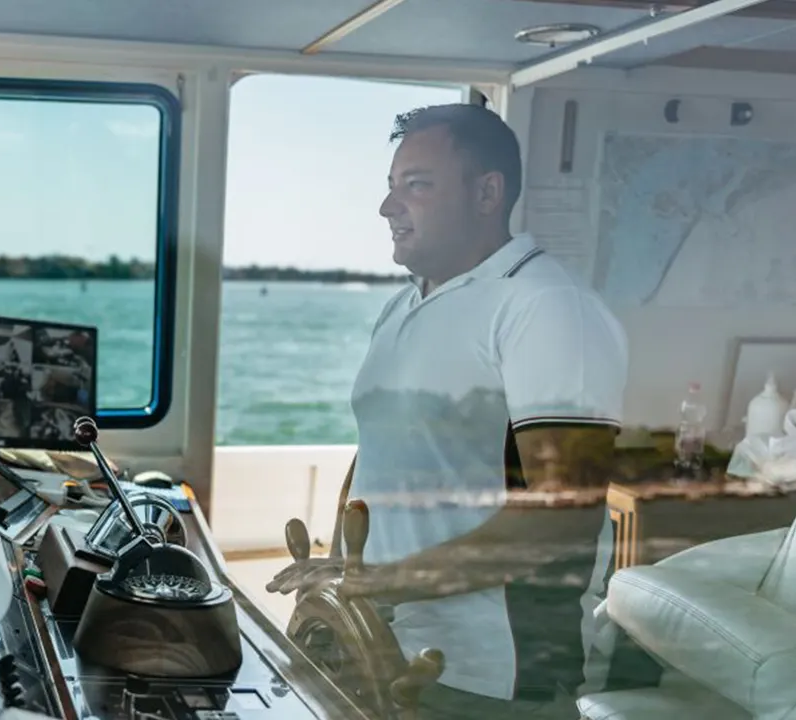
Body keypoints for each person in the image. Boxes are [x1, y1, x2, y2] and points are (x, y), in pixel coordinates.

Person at [268, 103, 629, 718]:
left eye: (417, 186)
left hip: (489, 672)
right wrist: (353, 565)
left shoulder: (546, 307)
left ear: (487, 192)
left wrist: (386, 580)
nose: (388, 207)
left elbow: (559, 518)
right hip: (383, 640)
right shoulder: (405, 305)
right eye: (390, 187)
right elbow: (384, 451)